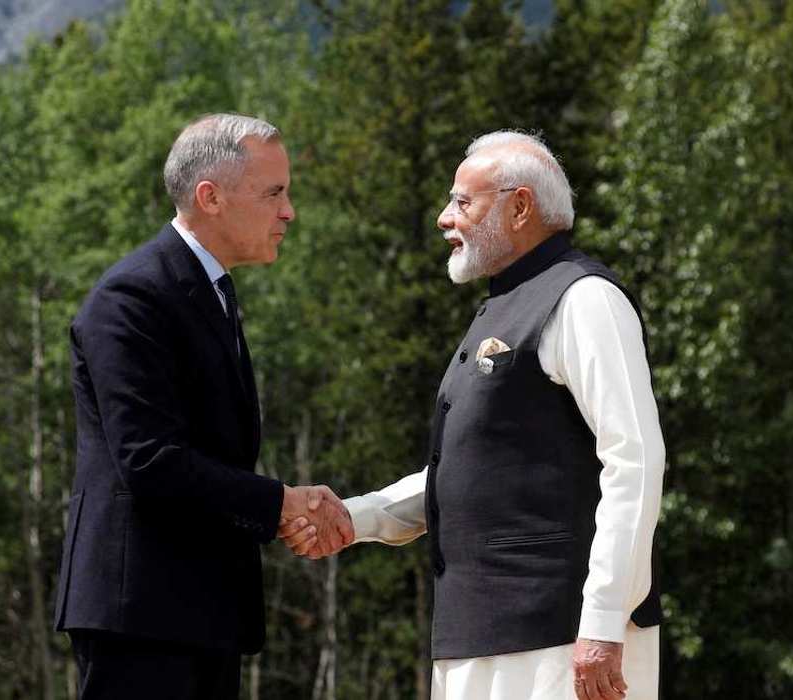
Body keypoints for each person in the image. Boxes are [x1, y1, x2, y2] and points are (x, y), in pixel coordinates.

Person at [281, 131, 665, 700]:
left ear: (519, 207)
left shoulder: (585, 299)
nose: (444, 218)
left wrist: (605, 621)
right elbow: (469, 476)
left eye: (464, 202)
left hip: (562, 644)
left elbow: (635, 461)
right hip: (477, 642)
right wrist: (355, 519)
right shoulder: (504, 307)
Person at [54, 113, 354, 700]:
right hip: (141, 614)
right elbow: (149, 459)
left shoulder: (207, 288)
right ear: (209, 197)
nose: (288, 211)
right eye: (274, 193)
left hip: (198, 610)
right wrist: (282, 503)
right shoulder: (133, 296)